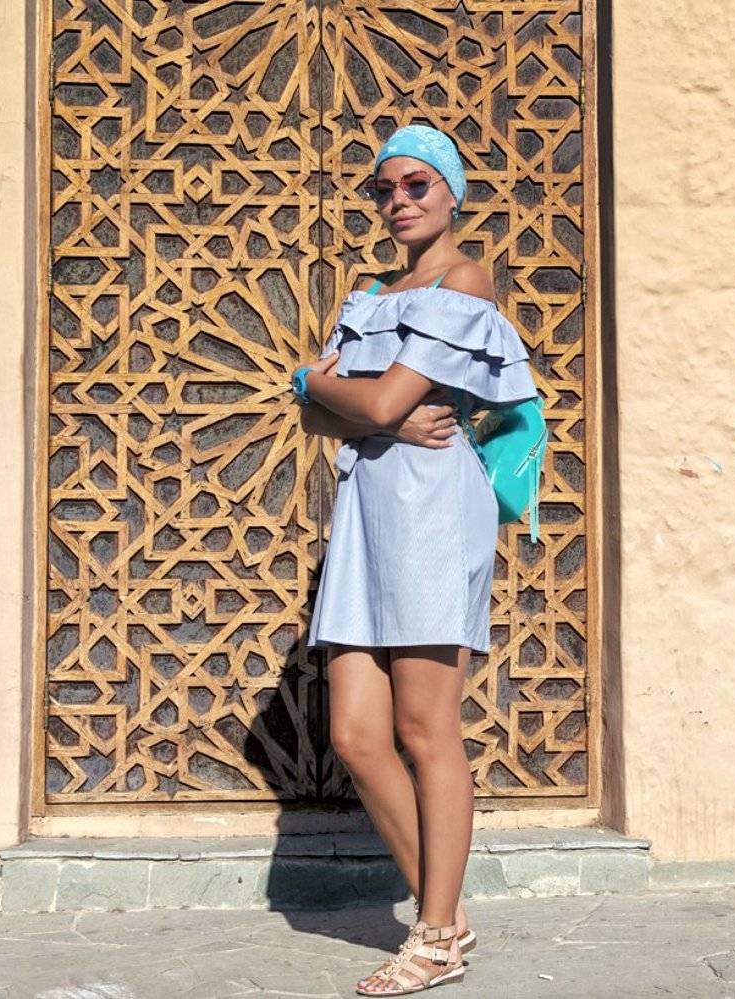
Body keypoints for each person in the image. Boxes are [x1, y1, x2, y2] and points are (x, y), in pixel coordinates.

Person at [290, 123, 539, 995]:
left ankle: (432, 936)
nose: (398, 200)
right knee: (356, 734)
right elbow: (326, 417)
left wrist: (322, 383)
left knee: (425, 727)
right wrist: (337, 400)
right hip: (367, 510)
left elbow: (377, 400)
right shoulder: (369, 297)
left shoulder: (463, 280)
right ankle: (448, 913)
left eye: (416, 185)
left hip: (434, 506)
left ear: (451, 193)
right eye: (384, 189)